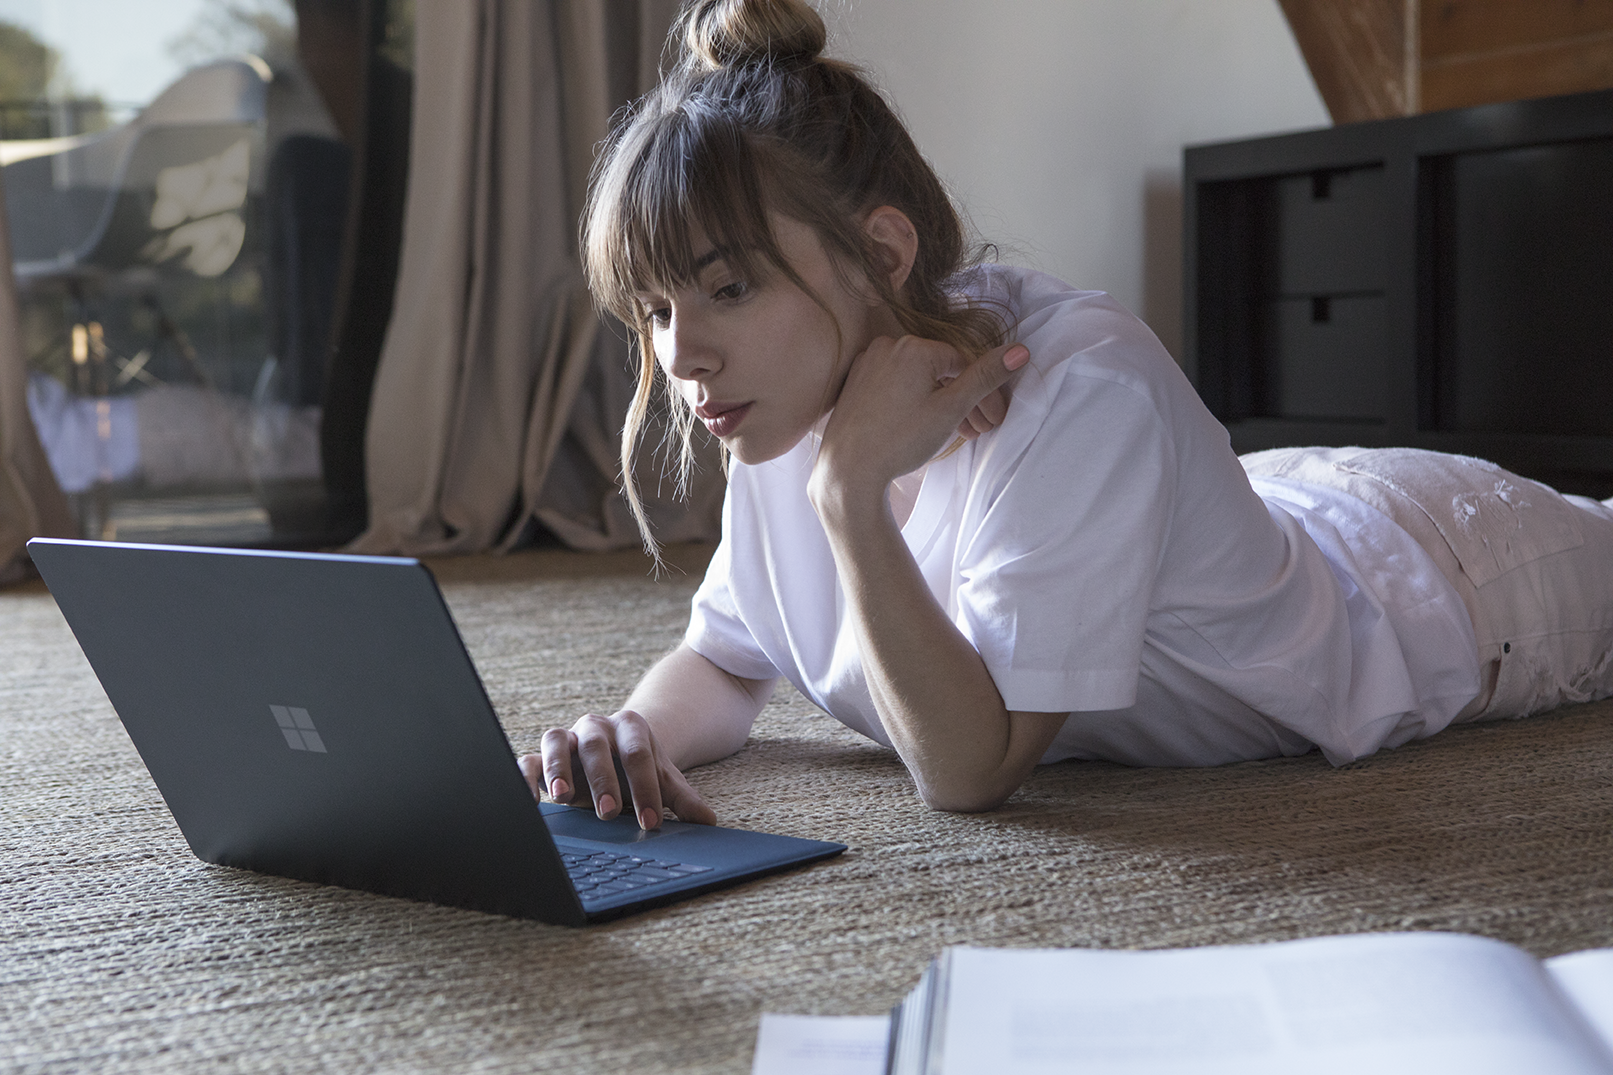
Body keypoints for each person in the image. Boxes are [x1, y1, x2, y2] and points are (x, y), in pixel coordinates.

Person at [521, 0, 1613, 830]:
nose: (679, 353)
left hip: (1445, 584)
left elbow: (968, 767)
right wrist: (635, 730)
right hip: (1279, 499)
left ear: (882, 254)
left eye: (724, 287)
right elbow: (724, 660)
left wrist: (850, 499)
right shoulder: (773, 395)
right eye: (655, 308)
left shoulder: (1077, 391)